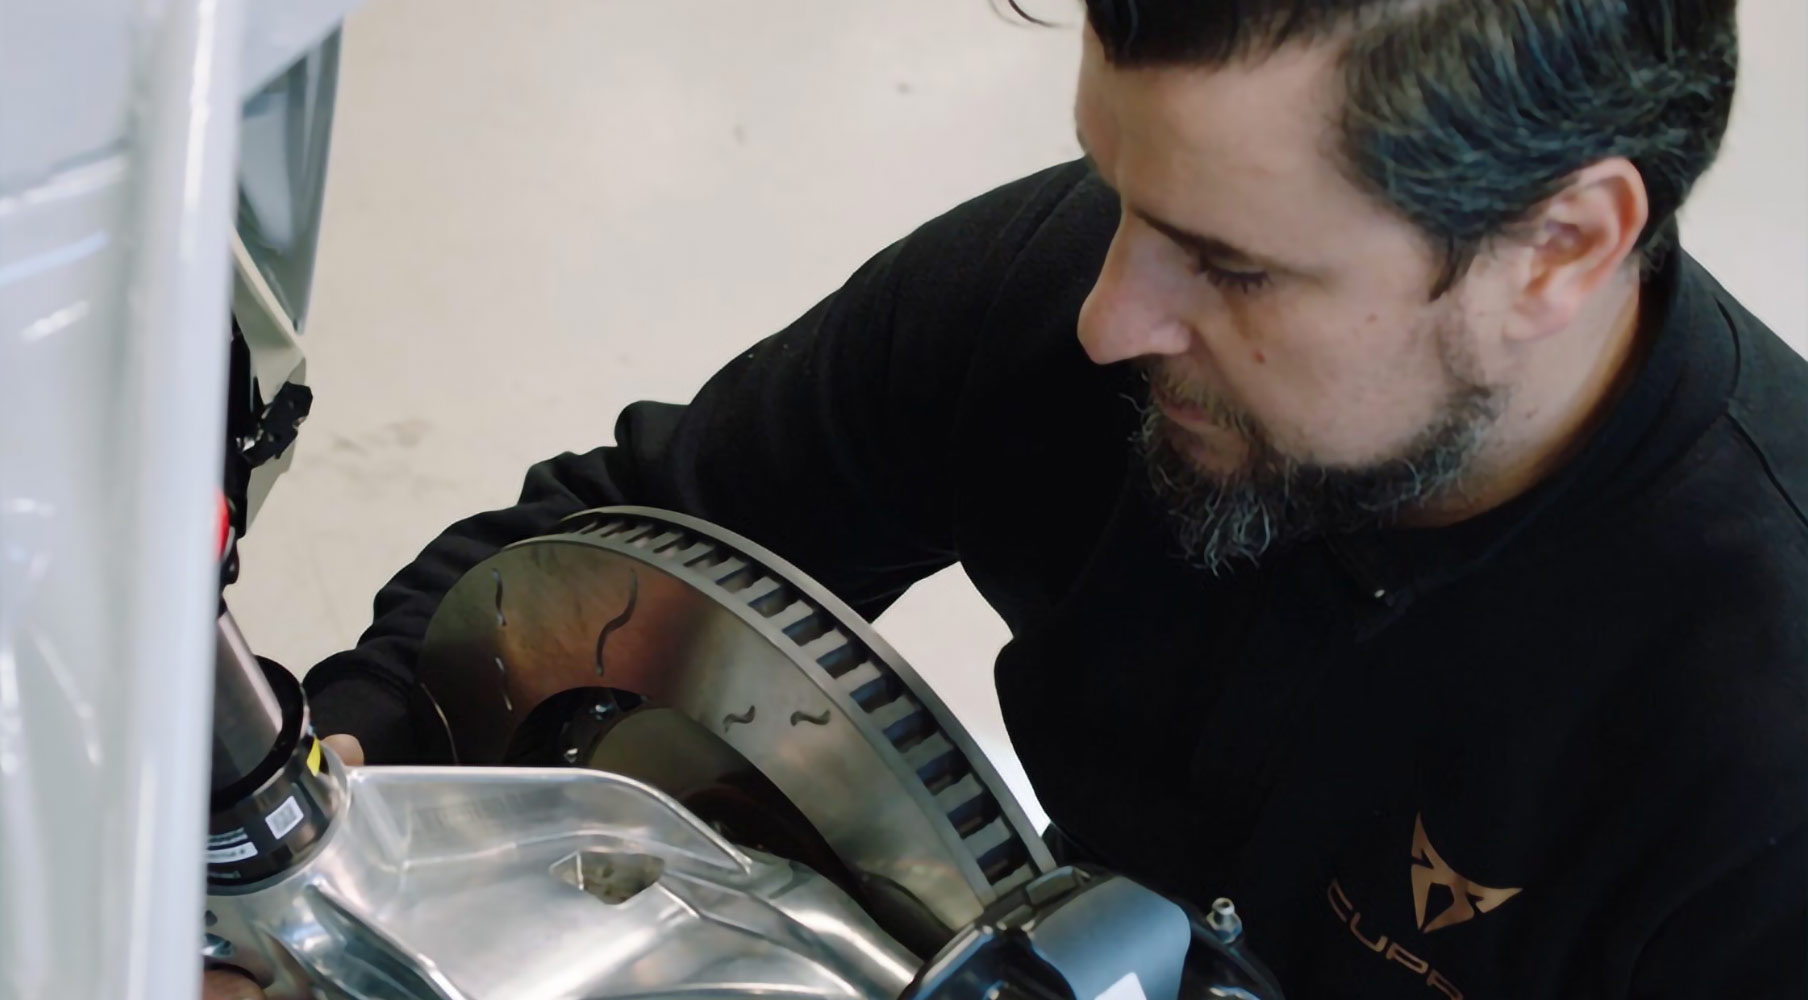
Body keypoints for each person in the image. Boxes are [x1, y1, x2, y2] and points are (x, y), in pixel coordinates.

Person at [205, 1, 1808, 996]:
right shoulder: (1088, 298)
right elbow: (615, 530)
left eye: (1232, 266)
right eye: (1124, 194)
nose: (1112, 317)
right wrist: (322, 860)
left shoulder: (1756, 766)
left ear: (1563, 248)